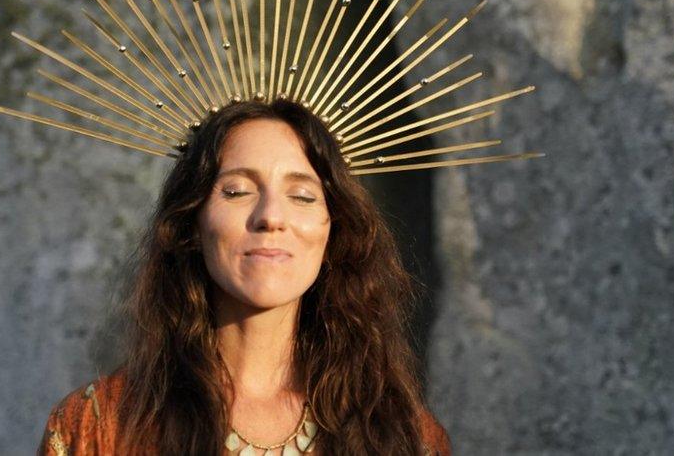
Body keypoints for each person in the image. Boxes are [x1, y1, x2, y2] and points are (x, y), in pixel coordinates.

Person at [37, 99, 452, 455]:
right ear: (192, 225)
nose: (271, 216)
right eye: (236, 191)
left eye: (302, 196)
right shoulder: (98, 426)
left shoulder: (406, 437)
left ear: (332, 231)